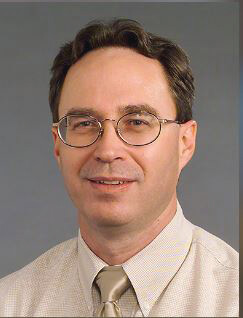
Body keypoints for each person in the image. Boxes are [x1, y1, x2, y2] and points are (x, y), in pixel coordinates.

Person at [0, 18, 238, 317]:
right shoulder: (10, 303)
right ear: (58, 144)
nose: (108, 151)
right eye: (85, 123)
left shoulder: (233, 299)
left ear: (185, 143)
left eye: (137, 122)